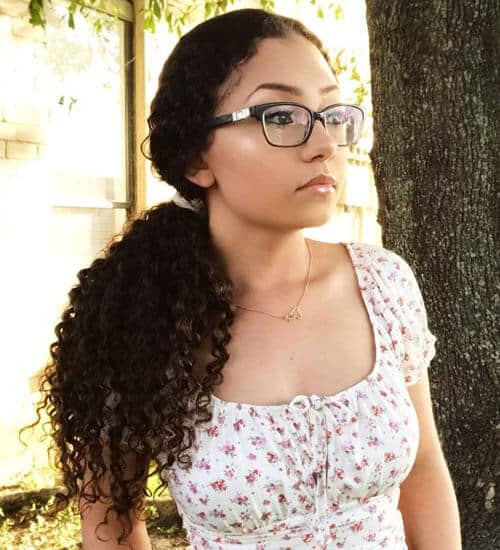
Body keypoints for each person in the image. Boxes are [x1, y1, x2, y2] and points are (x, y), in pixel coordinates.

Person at [30, 7, 461, 550]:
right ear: (196, 157)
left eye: (330, 113)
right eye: (280, 115)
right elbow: (111, 528)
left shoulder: (383, 286)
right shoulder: (138, 319)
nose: (325, 144)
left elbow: (423, 472)